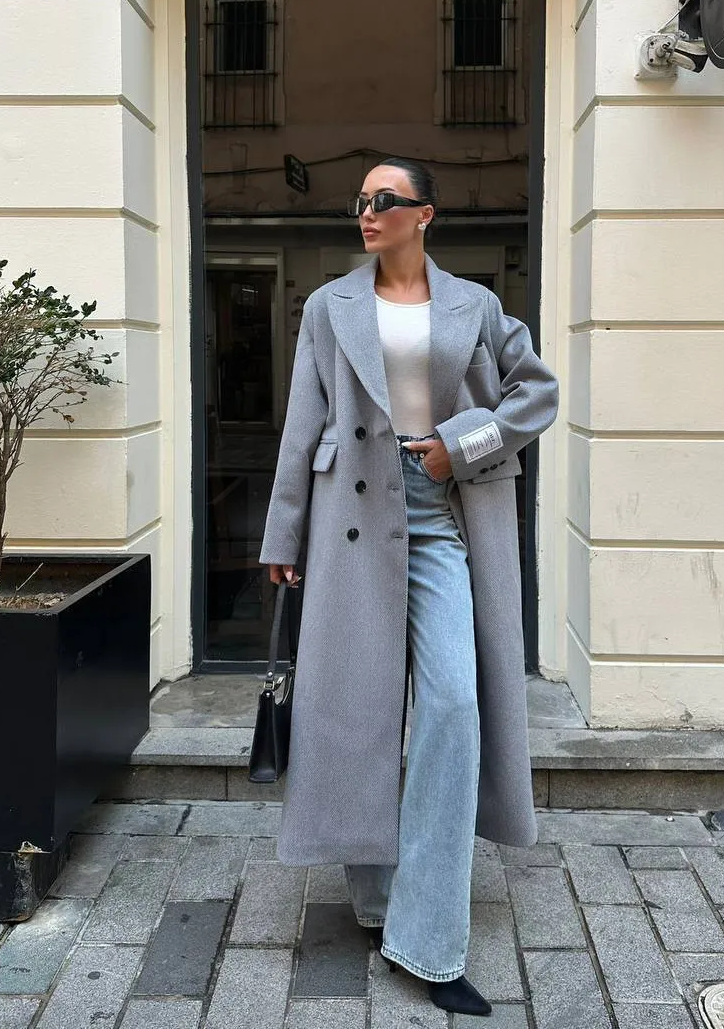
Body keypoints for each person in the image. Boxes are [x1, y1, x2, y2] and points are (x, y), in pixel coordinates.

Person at [258, 157, 559, 1017]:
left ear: (425, 214)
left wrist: (459, 447)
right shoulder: (329, 306)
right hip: (350, 512)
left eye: (385, 200)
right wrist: (284, 532)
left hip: (440, 510)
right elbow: (303, 421)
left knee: (454, 704)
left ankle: (428, 933)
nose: (368, 212)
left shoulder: (476, 305)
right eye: (361, 201)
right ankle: (379, 901)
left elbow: (536, 394)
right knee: (360, 706)